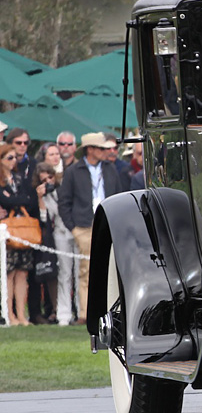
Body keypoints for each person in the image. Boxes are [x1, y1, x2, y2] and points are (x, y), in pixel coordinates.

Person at [57, 133, 122, 325]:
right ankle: (85, 314)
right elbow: (64, 201)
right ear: (90, 149)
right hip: (84, 226)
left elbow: (118, 195)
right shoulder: (73, 171)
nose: (107, 152)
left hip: (107, 224)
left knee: (109, 269)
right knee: (85, 272)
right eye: (102, 148)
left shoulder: (111, 169)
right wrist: (73, 228)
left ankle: (110, 311)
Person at [0, 142, 39, 325]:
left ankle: (21, 315)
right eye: (9, 157)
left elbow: (29, 200)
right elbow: (4, 201)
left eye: (14, 157)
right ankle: (9, 314)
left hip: (22, 230)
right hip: (5, 231)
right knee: (8, 273)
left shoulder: (19, 178)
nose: (13, 161)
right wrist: (12, 200)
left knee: (22, 273)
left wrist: (12, 200)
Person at [34, 163, 61, 323]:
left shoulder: (62, 189)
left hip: (66, 231)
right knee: (52, 274)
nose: (48, 182)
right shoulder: (42, 194)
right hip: (51, 236)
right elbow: (44, 218)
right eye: (43, 180)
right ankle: (55, 309)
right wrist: (40, 198)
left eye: (50, 177)